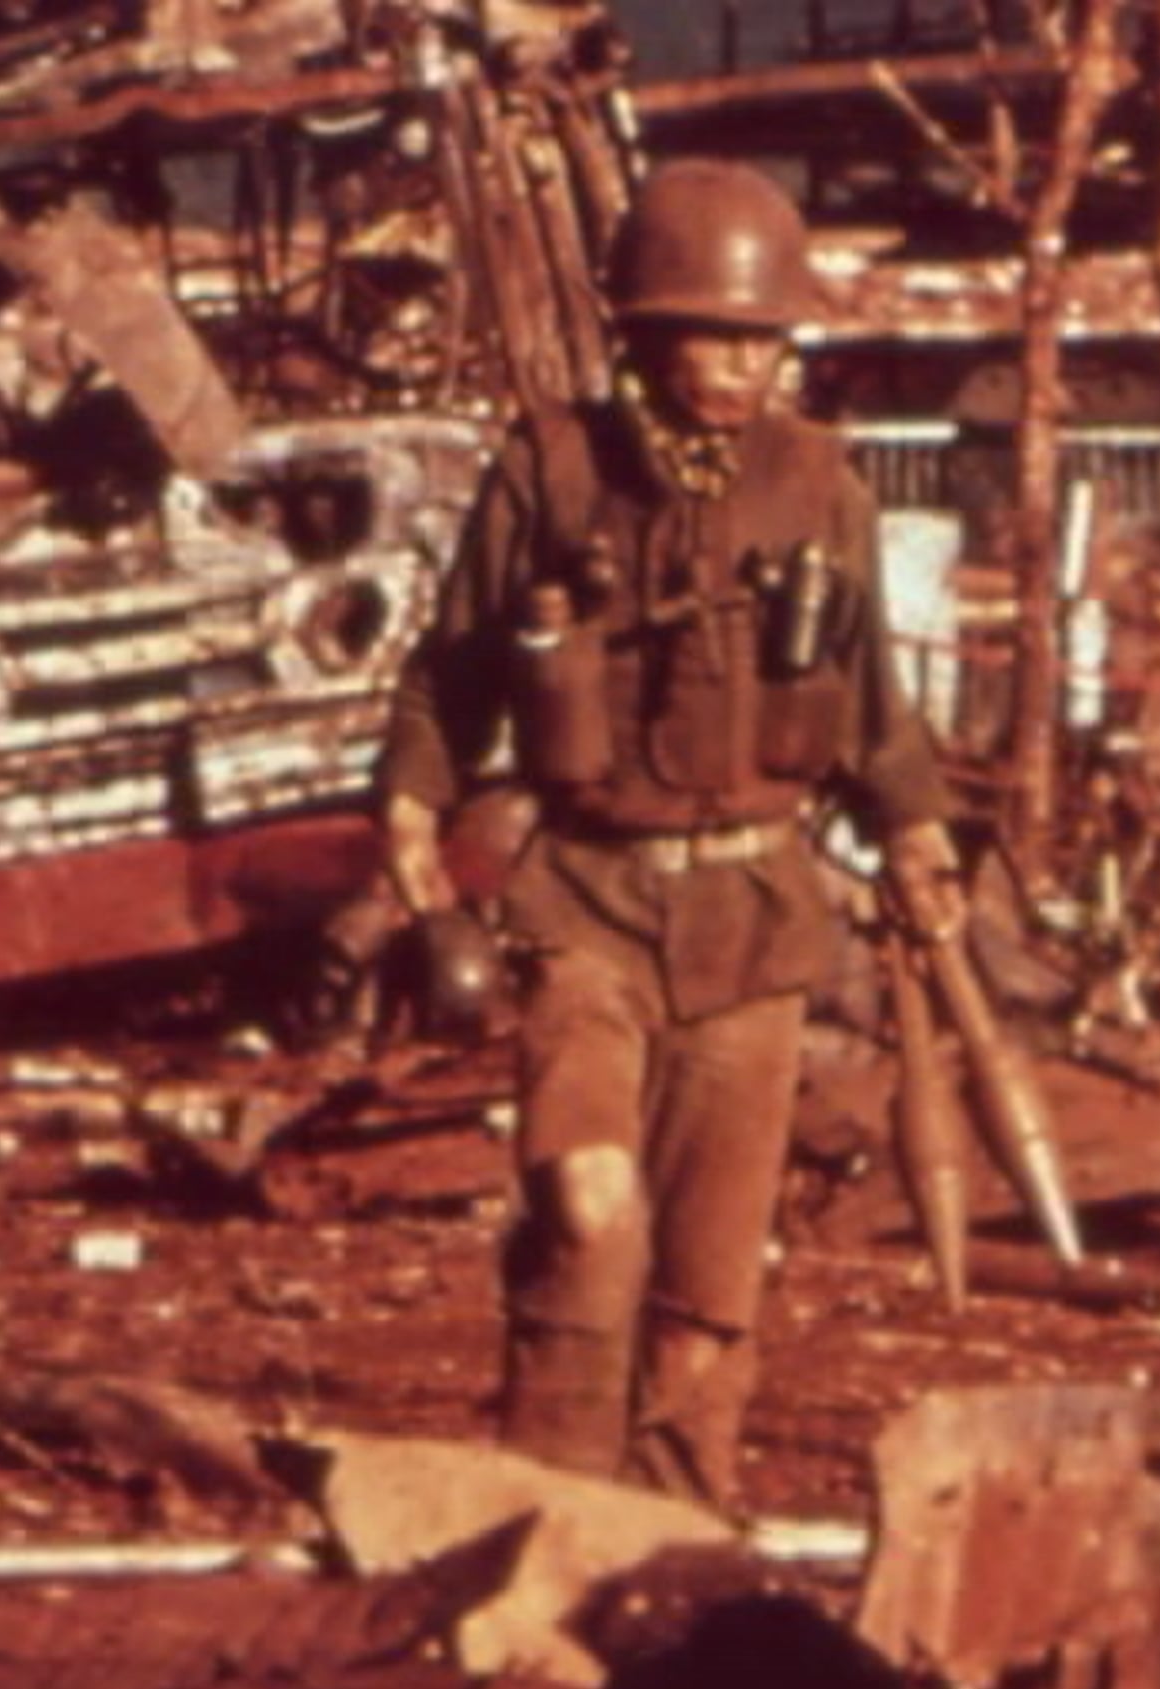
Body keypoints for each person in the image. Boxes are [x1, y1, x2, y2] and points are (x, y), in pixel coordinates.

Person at [375, 158, 962, 1511]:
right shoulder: (552, 471)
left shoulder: (820, 487)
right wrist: (410, 799)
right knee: (586, 1210)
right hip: (585, 903)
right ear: (642, 329)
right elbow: (452, 670)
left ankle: (674, 1537)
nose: (746, 365)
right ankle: (544, 1512)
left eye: (766, 339)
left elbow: (871, 696)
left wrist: (915, 828)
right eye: (715, 334)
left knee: (705, 1297)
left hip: (753, 918)